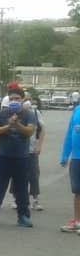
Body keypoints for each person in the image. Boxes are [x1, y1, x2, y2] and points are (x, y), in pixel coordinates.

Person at [0, 86, 36, 228]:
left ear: (22, 100)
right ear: (8, 100)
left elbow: (29, 132)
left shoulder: (28, 114)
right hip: (3, 156)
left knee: (21, 189)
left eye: (17, 99)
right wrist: (9, 126)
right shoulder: (1, 114)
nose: (14, 101)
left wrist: (17, 124)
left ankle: (23, 216)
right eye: (12, 98)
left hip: (22, 157)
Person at [60, 92, 80, 232]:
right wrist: (64, 155)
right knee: (77, 192)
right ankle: (77, 222)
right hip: (77, 158)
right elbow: (69, 133)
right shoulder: (77, 110)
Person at [26, 97, 45, 212]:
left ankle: (35, 200)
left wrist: (39, 145)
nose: (29, 102)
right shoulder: (15, 112)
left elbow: (42, 129)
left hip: (32, 149)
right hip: (17, 150)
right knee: (17, 174)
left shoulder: (35, 113)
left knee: (34, 174)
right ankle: (16, 198)